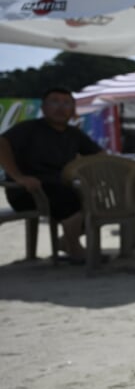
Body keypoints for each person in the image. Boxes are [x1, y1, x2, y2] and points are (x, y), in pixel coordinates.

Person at [0, 87, 104, 263]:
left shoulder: (74, 134)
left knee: (96, 200)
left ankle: (65, 242)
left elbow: (99, 156)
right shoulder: (29, 128)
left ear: (73, 110)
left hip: (60, 186)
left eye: (66, 103)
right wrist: (18, 177)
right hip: (28, 191)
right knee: (70, 197)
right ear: (44, 107)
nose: (60, 107)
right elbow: (2, 144)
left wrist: (85, 172)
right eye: (54, 101)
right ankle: (75, 249)